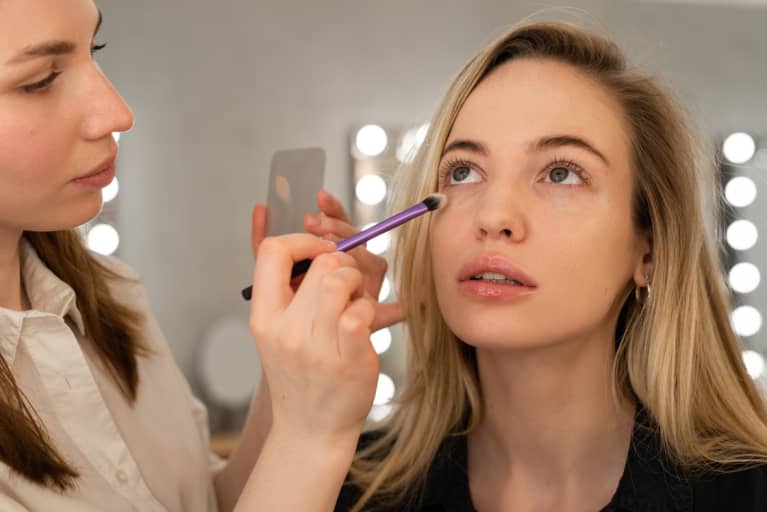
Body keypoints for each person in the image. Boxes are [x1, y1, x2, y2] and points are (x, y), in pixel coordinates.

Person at [328, 21, 767, 512]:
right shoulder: (348, 490)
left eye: (561, 173)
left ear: (649, 250)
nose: (494, 217)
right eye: (463, 171)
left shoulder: (746, 493)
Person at [0, 0, 394, 510]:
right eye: (41, 79)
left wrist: (294, 378)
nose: (118, 113)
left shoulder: (110, 294)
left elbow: (212, 503)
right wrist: (314, 435)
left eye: (93, 50)